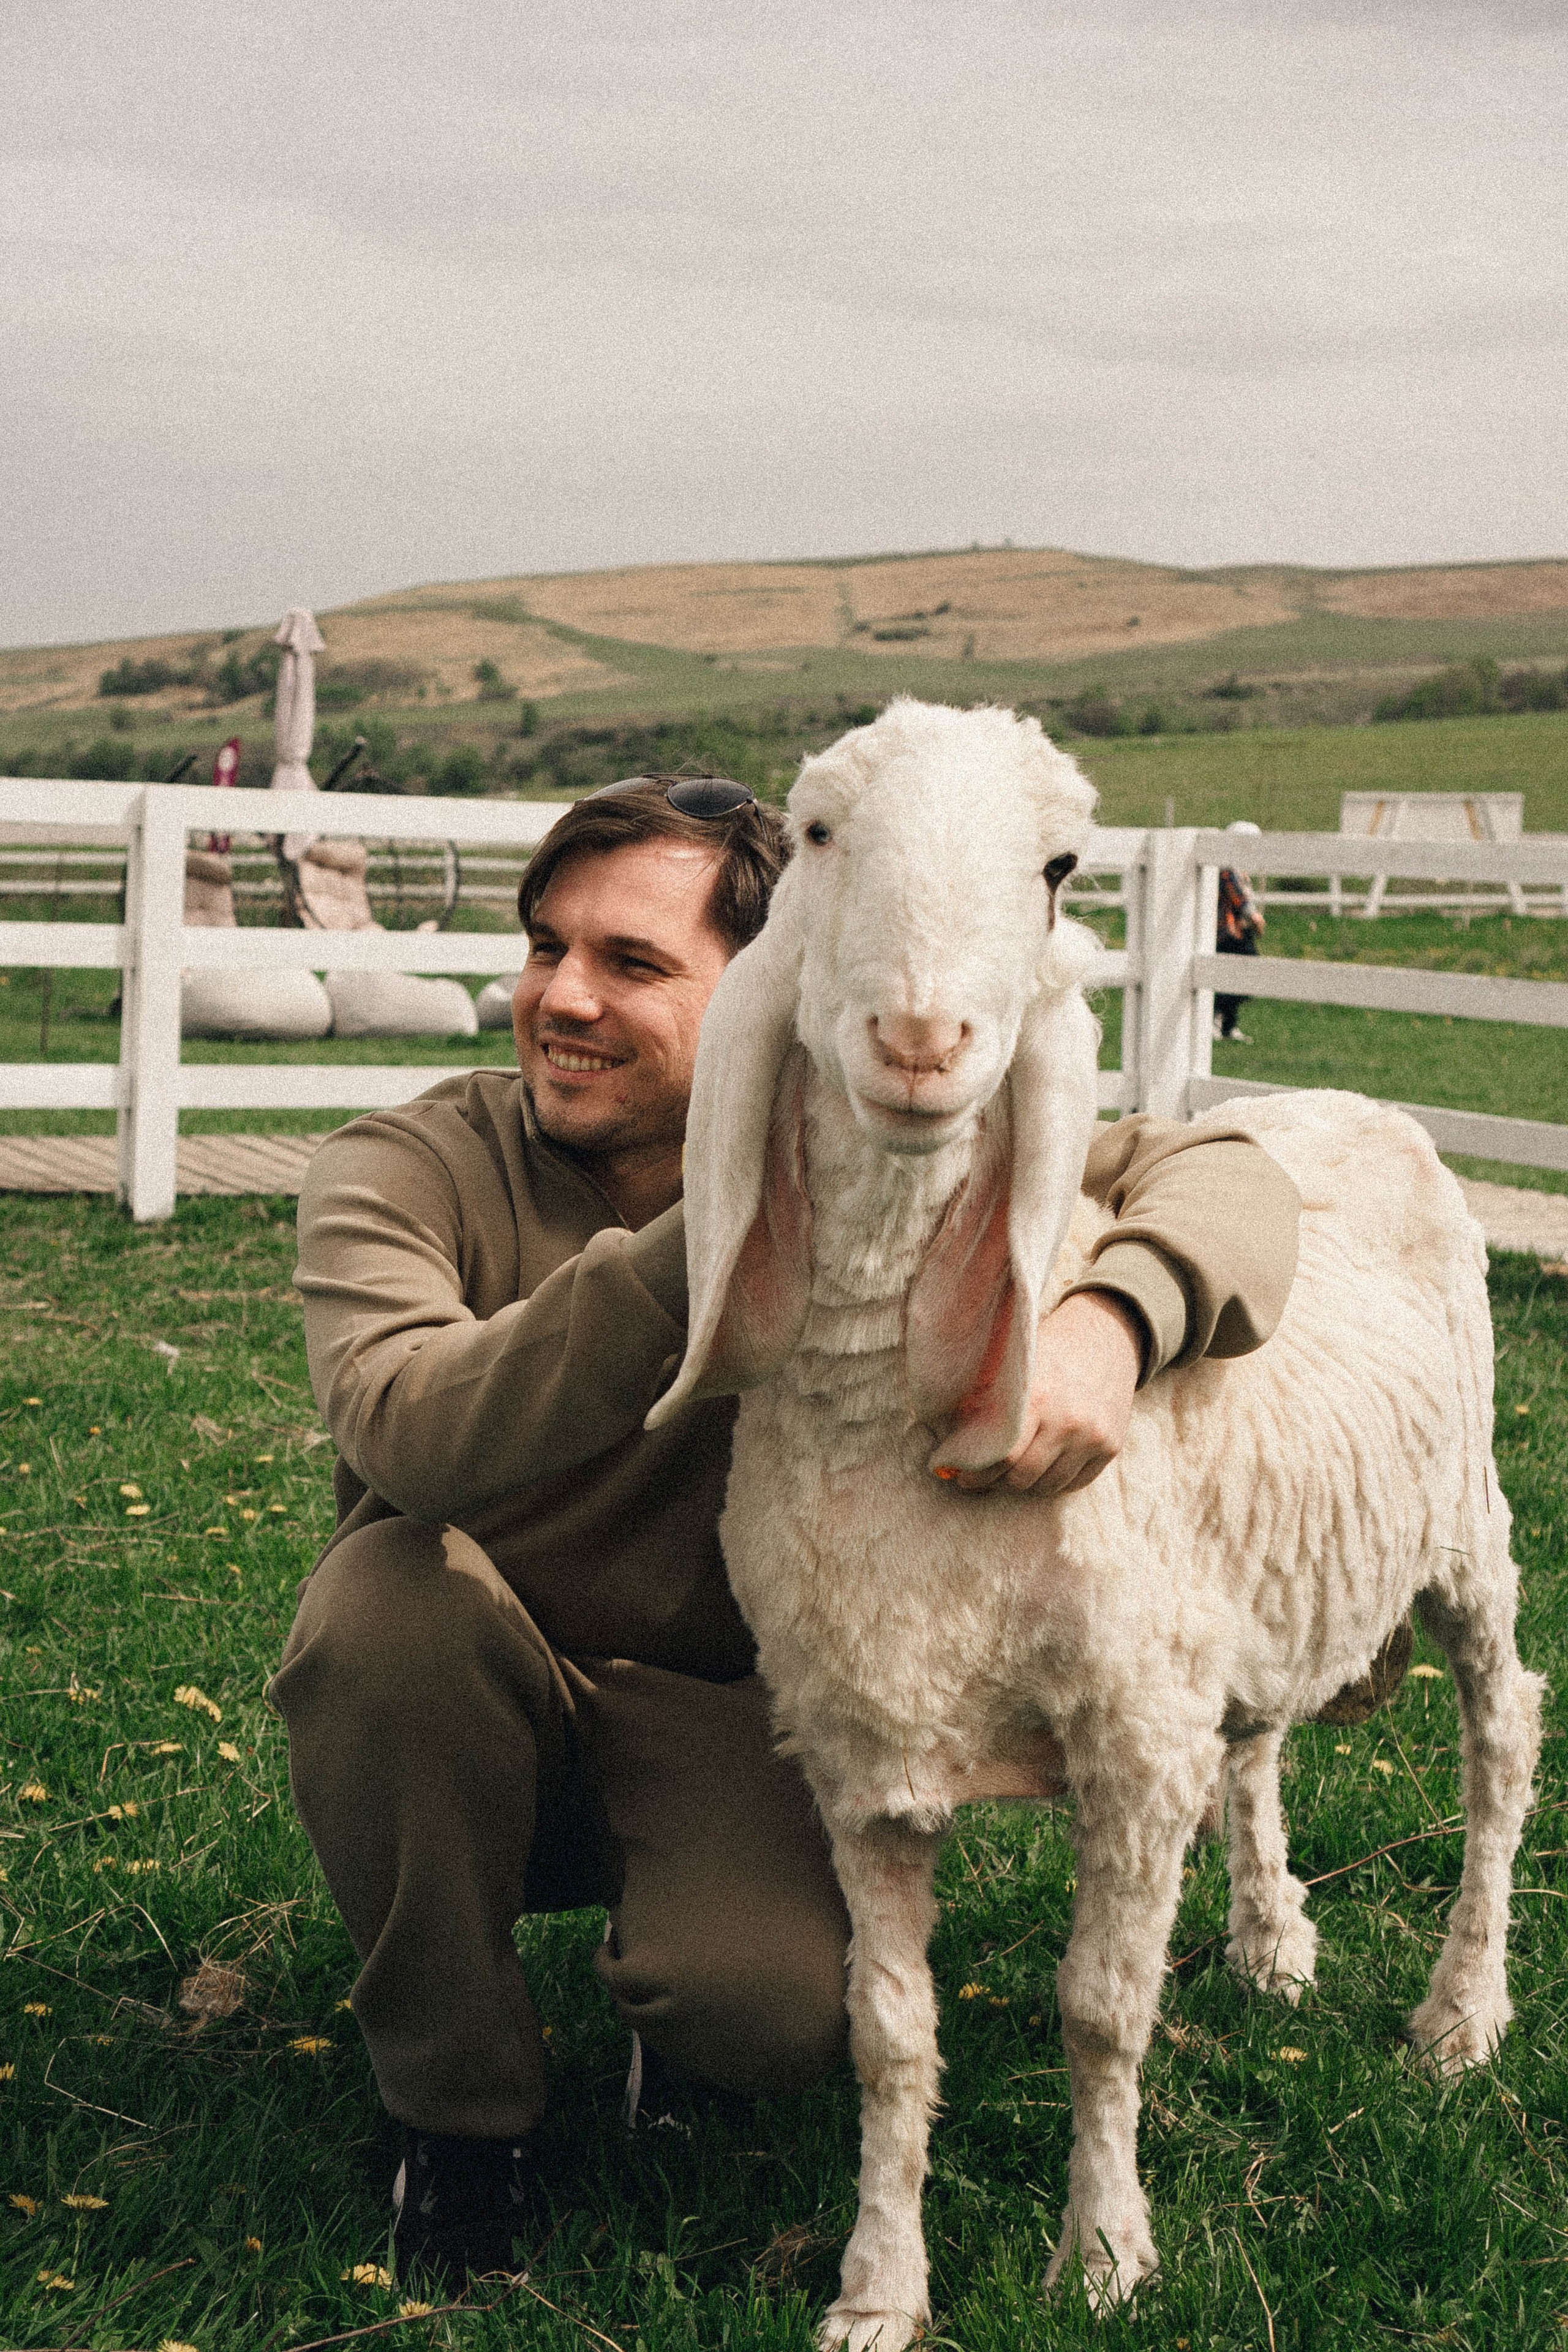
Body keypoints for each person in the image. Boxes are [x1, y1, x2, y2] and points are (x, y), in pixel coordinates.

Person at [270, 775, 1302, 2282]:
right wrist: (731, 1221)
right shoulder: (408, 1165)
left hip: (729, 1714)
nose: (561, 996)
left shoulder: (877, 1147)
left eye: (630, 964)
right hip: (469, 1684)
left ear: (769, 983)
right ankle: (460, 2118)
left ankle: (678, 2011)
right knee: (379, 1605)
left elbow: (1233, 1181)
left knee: (769, 2018)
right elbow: (404, 1423)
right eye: (544, 946)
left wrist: (1109, 1319)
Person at [1214, 816, 1265, 1042]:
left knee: (1237, 978)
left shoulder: (1238, 868)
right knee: (1239, 977)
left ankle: (1228, 1025)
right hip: (1228, 932)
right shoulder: (1227, 868)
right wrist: (1253, 915)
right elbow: (1238, 896)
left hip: (1239, 931)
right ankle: (1217, 1020)